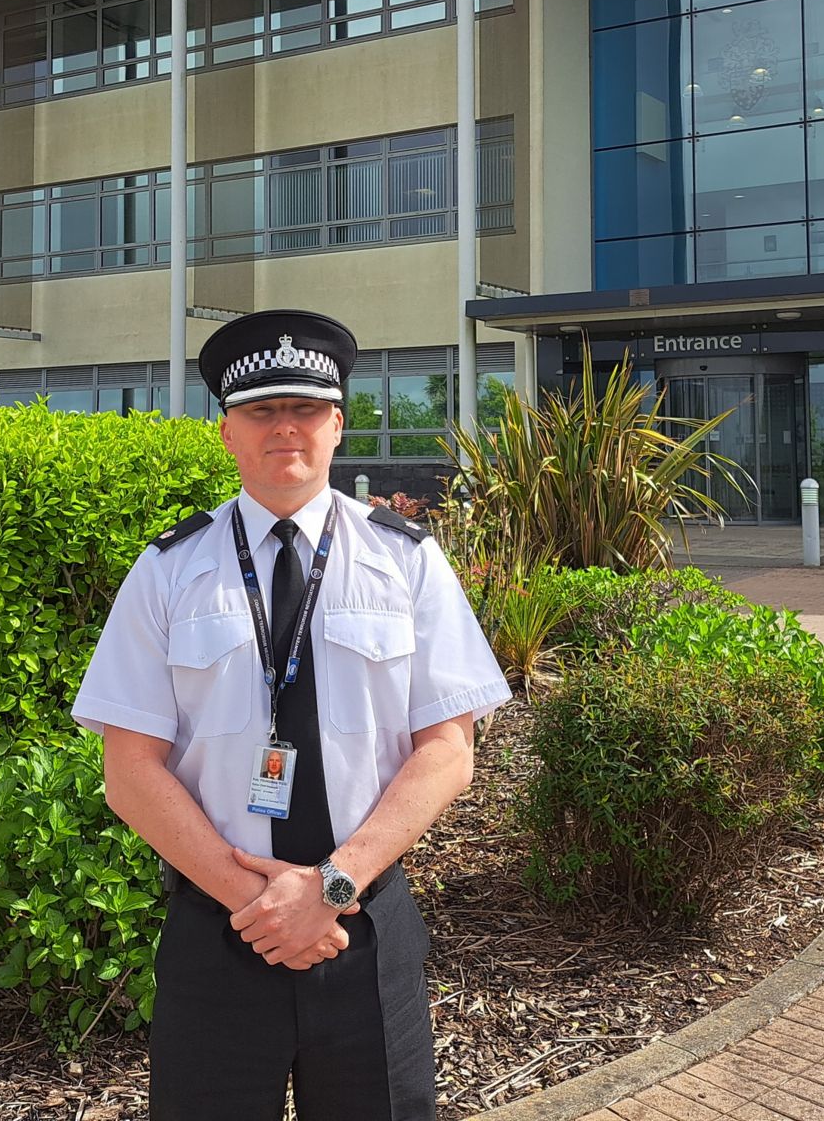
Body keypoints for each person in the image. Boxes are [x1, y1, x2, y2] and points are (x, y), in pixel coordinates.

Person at [73, 309, 511, 1121]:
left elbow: (449, 749)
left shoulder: (406, 559)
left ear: (339, 424)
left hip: (364, 928)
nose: (286, 428)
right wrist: (257, 902)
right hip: (219, 927)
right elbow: (129, 771)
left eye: (305, 408)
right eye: (261, 411)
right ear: (227, 431)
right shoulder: (169, 570)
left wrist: (330, 886)